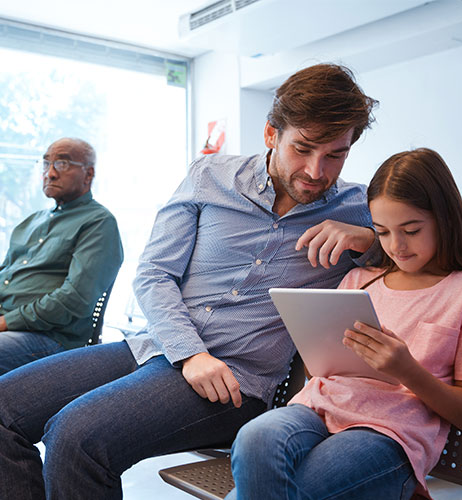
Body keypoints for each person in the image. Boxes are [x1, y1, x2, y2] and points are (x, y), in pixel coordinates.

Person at [0, 63, 379, 499]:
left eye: (336, 154)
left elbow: (443, 246)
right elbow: (154, 273)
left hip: (236, 384)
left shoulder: (358, 206)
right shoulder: (210, 177)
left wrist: (369, 239)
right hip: (156, 348)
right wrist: (190, 352)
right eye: (304, 148)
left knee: (75, 437)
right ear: (271, 134)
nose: (317, 170)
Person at [227, 148, 462, 500]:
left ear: (445, 219)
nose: (396, 246)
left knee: (278, 492)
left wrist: (406, 369)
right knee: (253, 439)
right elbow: (319, 373)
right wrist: (319, 346)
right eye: (383, 232)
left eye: (411, 230)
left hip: (389, 433)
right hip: (315, 410)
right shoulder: (360, 280)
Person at [0, 137, 123, 374]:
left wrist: (7, 322)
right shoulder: (30, 223)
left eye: (62, 164)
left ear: (88, 175)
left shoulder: (98, 223)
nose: (50, 173)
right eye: (46, 164)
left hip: (50, 338)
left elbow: (75, 299)